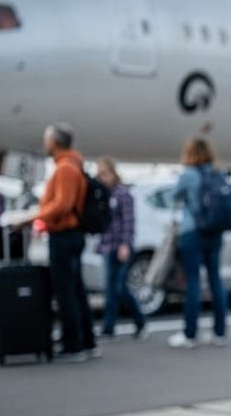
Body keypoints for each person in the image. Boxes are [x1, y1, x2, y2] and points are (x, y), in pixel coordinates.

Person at [31, 123, 98, 362]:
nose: (44, 144)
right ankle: (86, 340)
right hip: (71, 235)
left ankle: (74, 344)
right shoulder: (71, 165)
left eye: (47, 140)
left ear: (56, 143)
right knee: (76, 289)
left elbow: (63, 204)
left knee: (66, 291)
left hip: (65, 235)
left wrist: (33, 216)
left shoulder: (66, 168)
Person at [168, 136, 229, 349]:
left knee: (193, 282)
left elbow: (173, 197)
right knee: (216, 281)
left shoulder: (188, 175)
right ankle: (220, 332)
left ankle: (190, 334)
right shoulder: (216, 173)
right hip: (215, 233)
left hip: (192, 232)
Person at [95, 157, 148, 340]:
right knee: (110, 289)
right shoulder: (104, 194)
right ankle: (109, 327)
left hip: (121, 246)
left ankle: (140, 321)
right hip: (108, 245)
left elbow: (128, 221)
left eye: (105, 174)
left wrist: (126, 244)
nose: (103, 178)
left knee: (119, 287)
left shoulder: (122, 194)